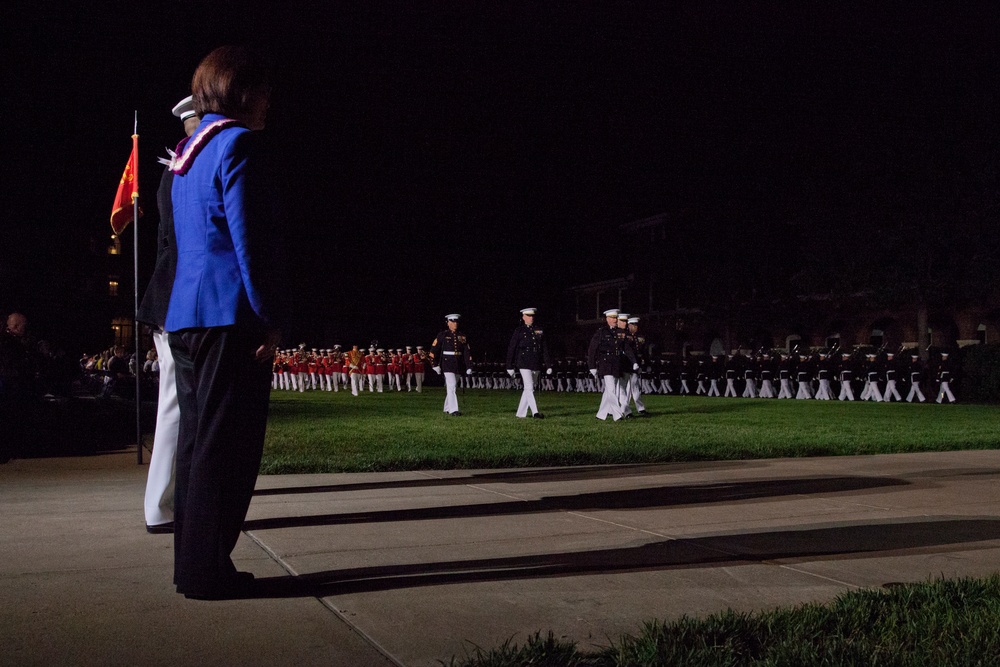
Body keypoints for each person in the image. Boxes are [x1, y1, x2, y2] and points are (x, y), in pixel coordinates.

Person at [164, 46, 284, 600]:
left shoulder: (189, 150)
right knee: (225, 450)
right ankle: (208, 571)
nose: (268, 102)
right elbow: (248, 246)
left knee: (196, 445)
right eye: (261, 91)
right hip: (227, 316)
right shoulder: (236, 143)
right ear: (241, 91)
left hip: (187, 317)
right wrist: (269, 319)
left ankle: (193, 566)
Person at [136, 94, 201, 535]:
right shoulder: (182, 169)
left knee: (176, 403)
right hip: (175, 300)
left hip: (169, 299)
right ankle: (161, 505)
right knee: (175, 405)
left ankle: (168, 500)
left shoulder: (176, 166)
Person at [587, 309, 638, 421]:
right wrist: (592, 366)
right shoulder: (601, 332)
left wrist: (634, 361)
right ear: (607, 319)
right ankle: (617, 415)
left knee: (609, 391)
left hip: (616, 363)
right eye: (613, 318)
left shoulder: (620, 332)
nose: (615, 320)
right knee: (611, 390)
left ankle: (600, 415)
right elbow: (592, 350)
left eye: (616, 318)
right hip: (605, 363)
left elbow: (627, 349)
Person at [506, 307, 552, 419]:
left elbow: (544, 348)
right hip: (523, 362)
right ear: (523, 317)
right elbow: (512, 348)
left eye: (532, 316)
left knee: (529, 388)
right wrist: (509, 365)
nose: (531, 318)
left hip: (536, 362)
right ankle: (535, 412)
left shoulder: (539, 330)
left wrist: (548, 364)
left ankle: (520, 413)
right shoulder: (519, 331)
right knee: (529, 387)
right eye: (528, 316)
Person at [430, 314, 473, 415]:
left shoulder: (462, 335)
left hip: (458, 364)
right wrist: (434, 365)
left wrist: (469, 365)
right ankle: (453, 410)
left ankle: (446, 408)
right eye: (453, 322)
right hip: (447, 363)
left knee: (452, 386)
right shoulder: (442, 335)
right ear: (448, 323)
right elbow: (434, 350)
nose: (455, 324)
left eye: (456, 322)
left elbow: (467, 351)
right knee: (452, 385)